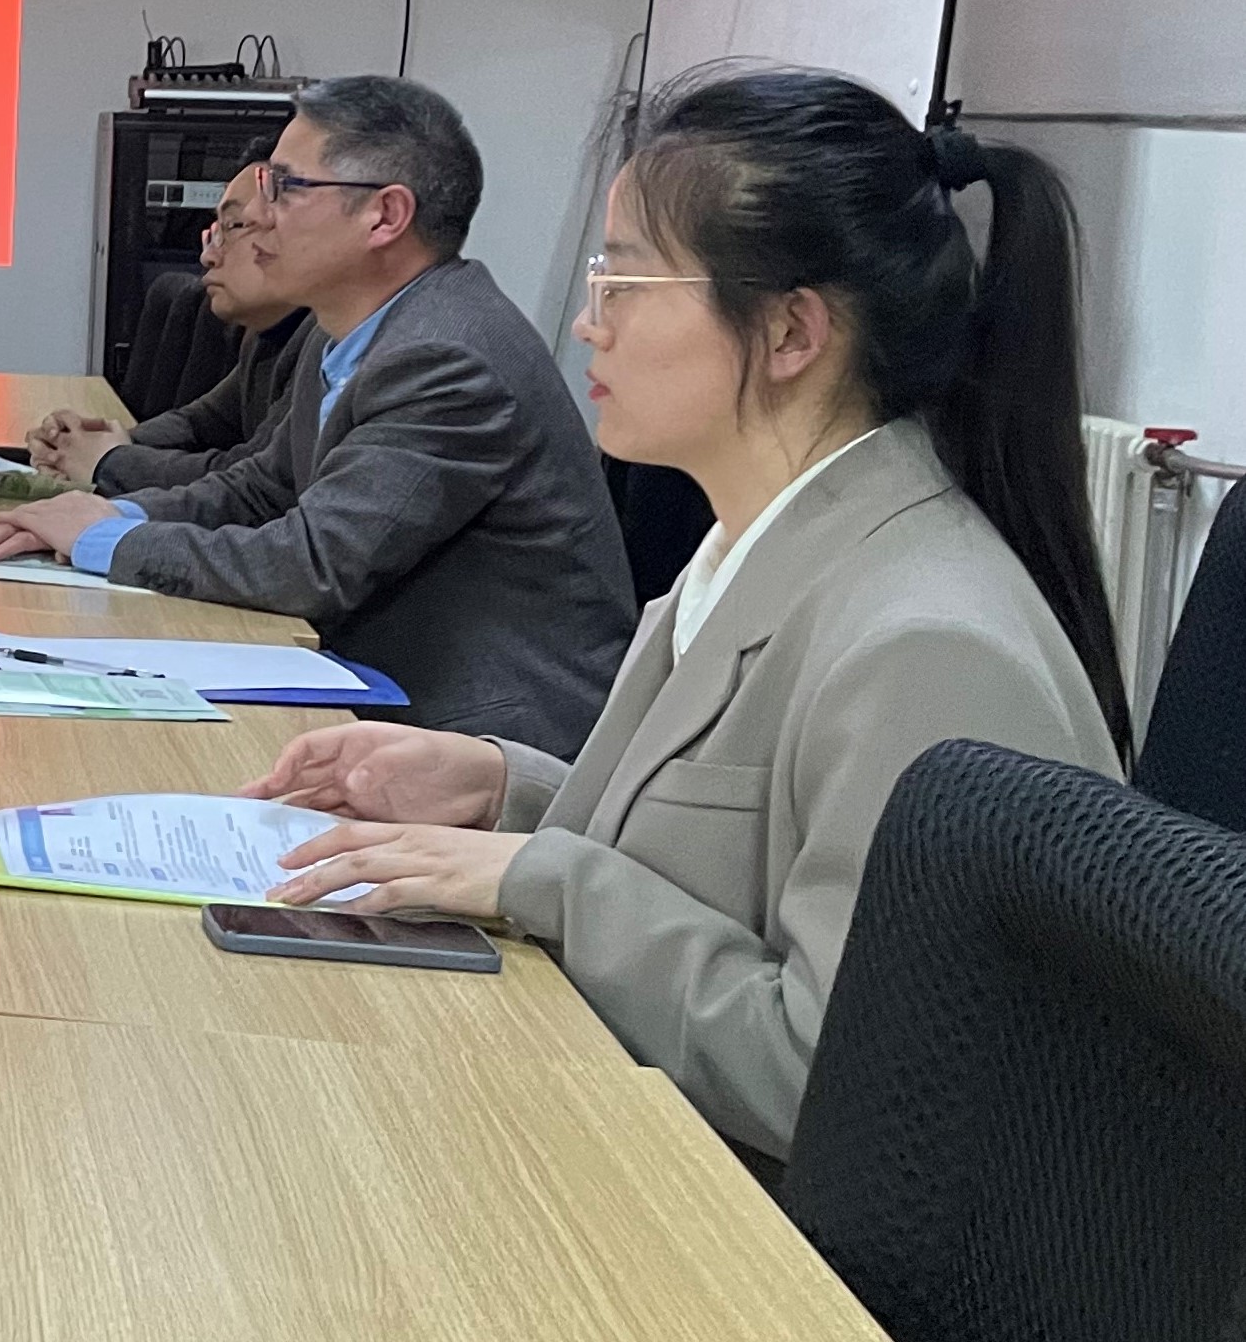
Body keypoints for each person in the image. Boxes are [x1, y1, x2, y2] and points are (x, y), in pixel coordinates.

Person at [239, 69, 1127, 1164]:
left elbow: (837, 1083)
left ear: (790, 331)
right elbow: (726, 871)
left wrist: (539, 876)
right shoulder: (741, 549)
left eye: (623, 279)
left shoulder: (924, 645)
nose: (586, 321)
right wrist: (502, 788)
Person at [0, 76, 630, 751]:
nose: (261, 213)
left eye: (285, 186)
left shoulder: (444, 356)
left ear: (384, 216)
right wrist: (112, 514)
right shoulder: (344, 329)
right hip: (370, 686)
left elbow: (314, 564)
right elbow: (262, 489)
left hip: (483, 737)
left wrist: (104, 541)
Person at [32, 162, 310, 492]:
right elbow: (202, 423)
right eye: (214, 232)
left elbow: (250, 482)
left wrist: (109, 460)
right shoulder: (266, 335)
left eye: (232, 227)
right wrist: (82, 444)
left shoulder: (327, 345)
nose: (208, 256)